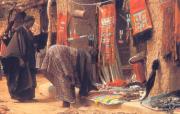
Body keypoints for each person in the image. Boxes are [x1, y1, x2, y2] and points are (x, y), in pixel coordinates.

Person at [1, 12, 37, 101]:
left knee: (29, 77)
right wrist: (20, 58)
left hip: (29, 59)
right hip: (20, 58)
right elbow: (19, 46)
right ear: (26, 22)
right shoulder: (20, 31)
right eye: (31, 23)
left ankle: (29, 96)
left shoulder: (29, 32)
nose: (31, 25)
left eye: (32, 24)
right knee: (22, 78)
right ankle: (21, 96)